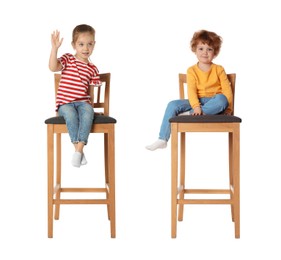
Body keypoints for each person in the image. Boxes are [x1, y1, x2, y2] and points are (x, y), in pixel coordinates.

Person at [146, 29, 233, 151]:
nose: (205, 52)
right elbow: (191, 91)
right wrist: (196, 106)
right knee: (172, 104)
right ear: (195, 50)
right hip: (196, 101)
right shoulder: (191, 70)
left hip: (214, 101)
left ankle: (188, 115)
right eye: (201, 48)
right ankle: (162, 138)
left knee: (222, 100)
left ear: (215, 52)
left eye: (209, 49)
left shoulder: (219, 69)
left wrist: (228, 109)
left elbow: (227, 91)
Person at [49, 24, 101, 167]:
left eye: (90, 44)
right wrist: (54, 49)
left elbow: (90, 93)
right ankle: (79, 151)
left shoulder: (93, 69)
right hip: (65, 104)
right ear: (74, 45)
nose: (86, 48)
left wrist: (90, 108)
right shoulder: (68, 59)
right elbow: (53, 68)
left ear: (94, 44)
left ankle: (78, 152)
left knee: (86, 113)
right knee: (71, 116)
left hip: (83, 103)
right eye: (81, 44)